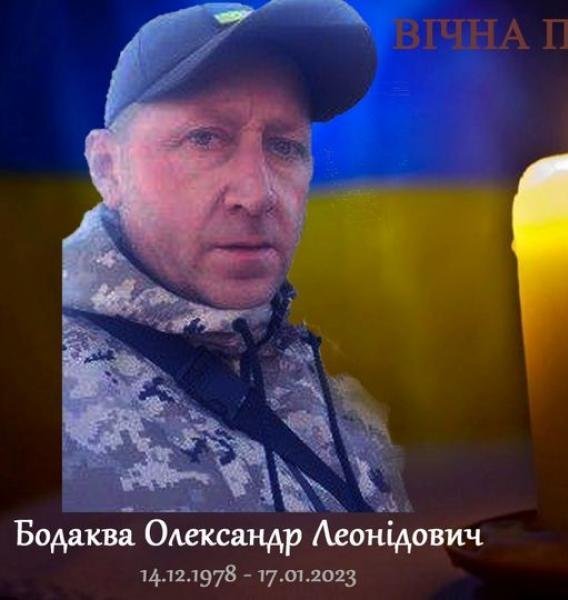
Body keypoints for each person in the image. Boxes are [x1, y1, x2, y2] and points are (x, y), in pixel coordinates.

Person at [61, 0, 412, 512]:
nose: (257, 193)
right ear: (107, 168)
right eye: (204, 139)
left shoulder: (339, 400)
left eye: (285, 146)